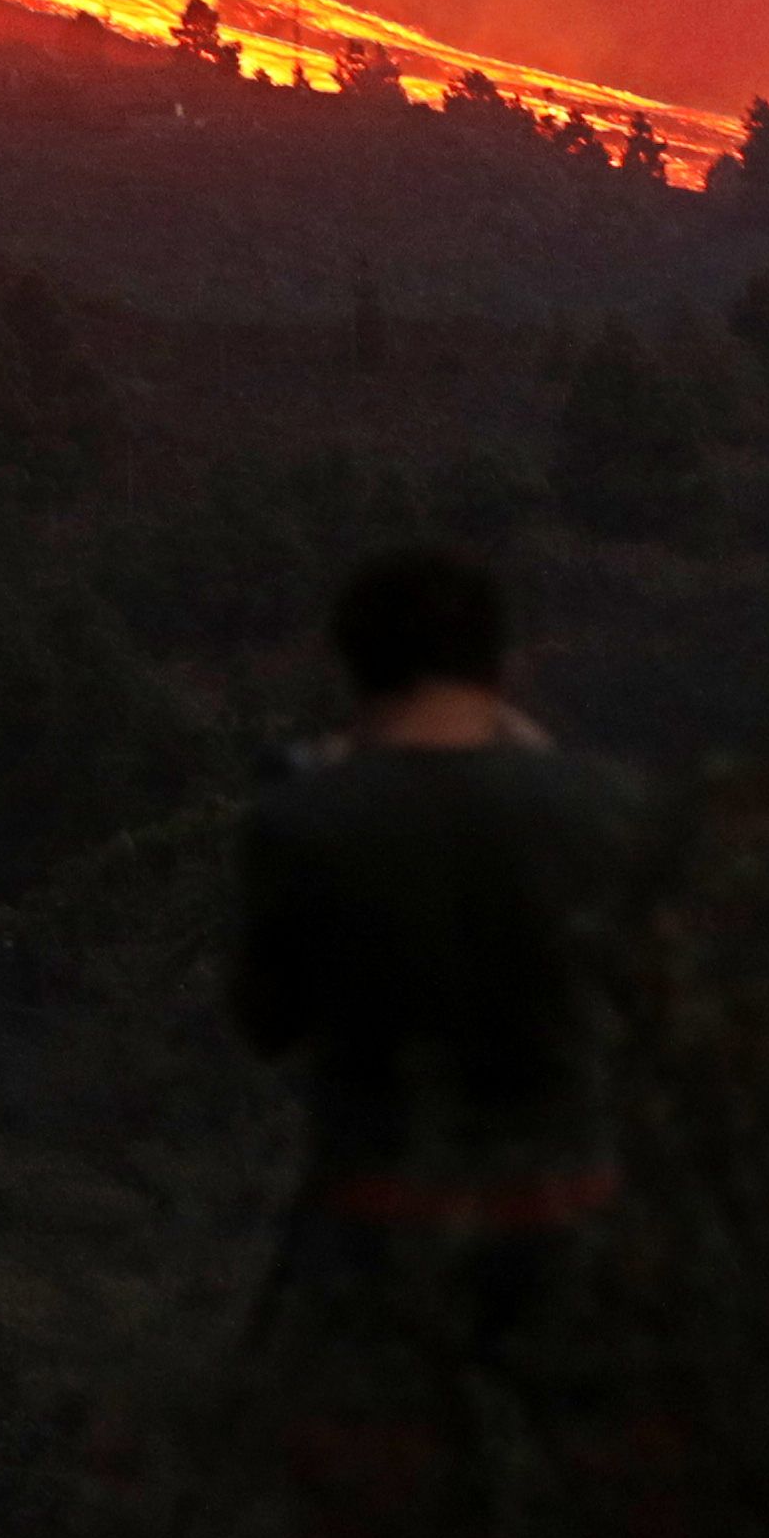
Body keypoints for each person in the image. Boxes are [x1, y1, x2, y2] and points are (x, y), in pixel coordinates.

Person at [234, 544, 628, 1344]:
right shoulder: (602, 811)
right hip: (568, 1222)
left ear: (354, 667)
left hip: (373, 1228)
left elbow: (267, 1022)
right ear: (501, 667)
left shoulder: (304, 822)